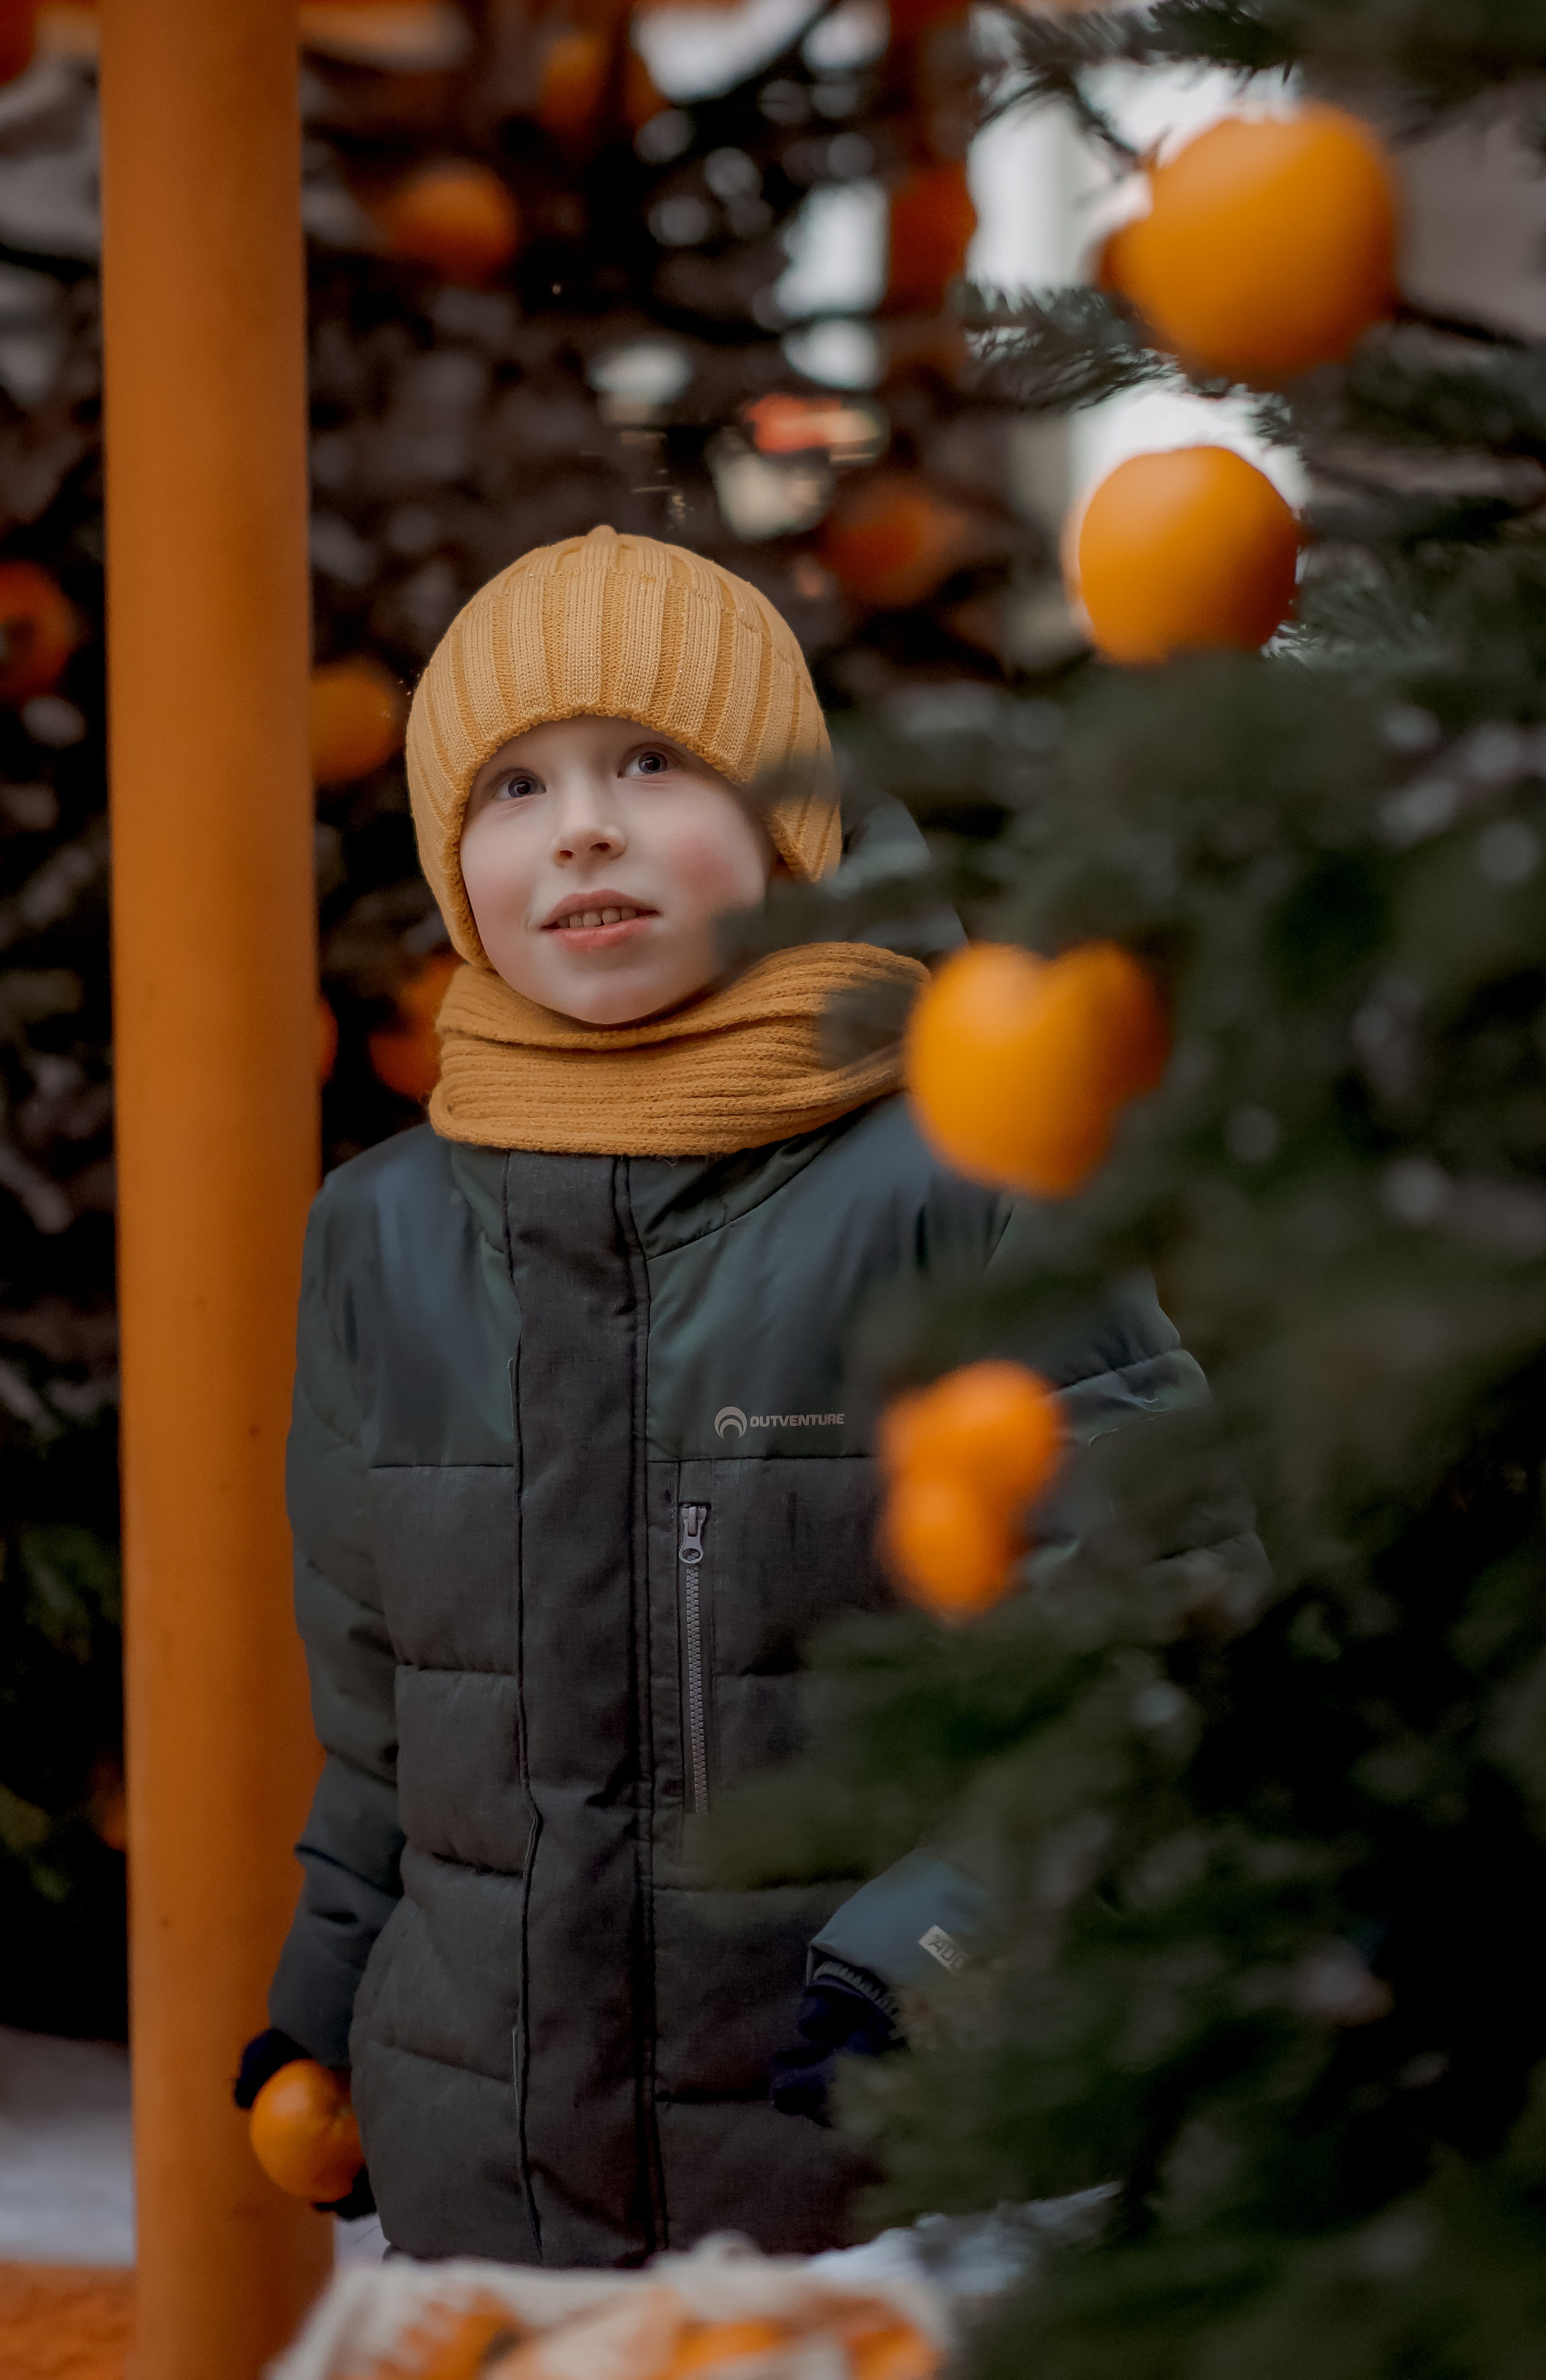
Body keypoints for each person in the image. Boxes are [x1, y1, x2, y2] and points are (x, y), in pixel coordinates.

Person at [235, 526, 1255, 2265]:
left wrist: (943, 1957)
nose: (583, 829)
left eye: (656, 760)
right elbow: (391, 1706)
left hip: (888, 2168)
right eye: (512, 787)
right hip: (493, 2182)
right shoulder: (385, 1232)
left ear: (788, 821)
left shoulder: (958, 1178)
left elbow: (1156, 1609)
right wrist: (323, 1998)